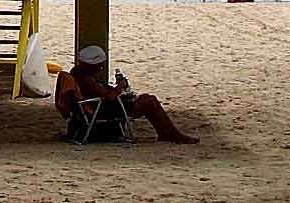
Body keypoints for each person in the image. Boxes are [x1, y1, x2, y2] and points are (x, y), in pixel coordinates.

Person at [67, 46, 198, 143]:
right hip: (103, 110)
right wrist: (120, 86)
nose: (101, 68)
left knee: (147, 98)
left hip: (93, 107)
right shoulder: (86, 79)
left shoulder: (77, 72)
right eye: (100, 66)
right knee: (150, 101)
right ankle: (172, 134)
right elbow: (109, 97)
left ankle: (167, 133)